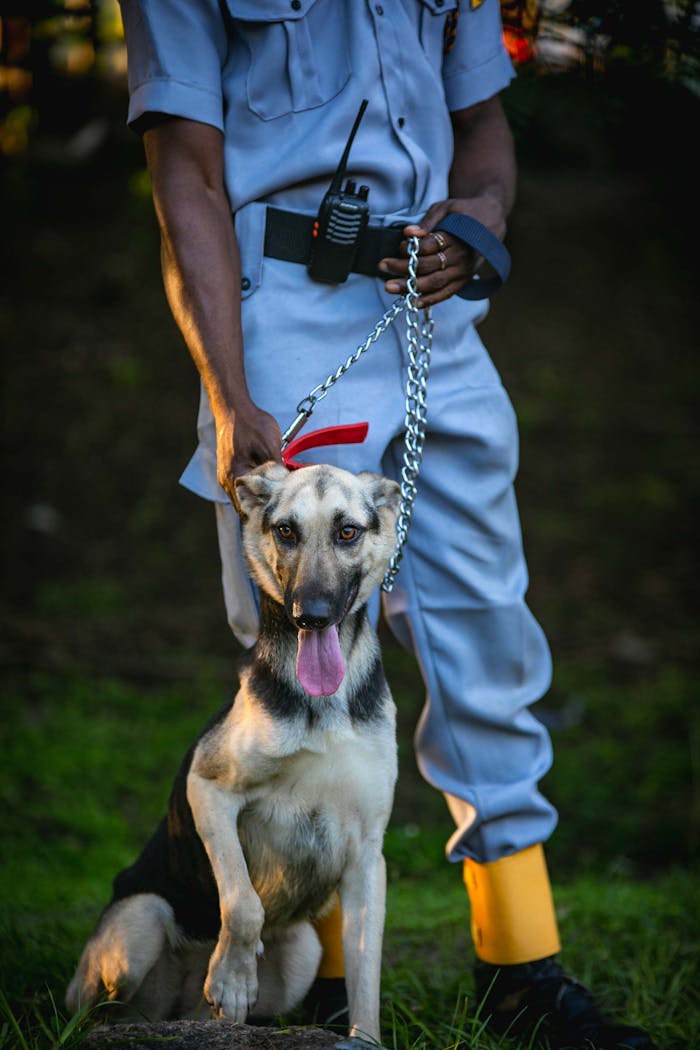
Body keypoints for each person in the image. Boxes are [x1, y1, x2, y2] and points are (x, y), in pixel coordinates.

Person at [116, 2, 654, 1047]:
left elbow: (482, 123)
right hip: (284, 312)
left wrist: (482, 215)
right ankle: (315, 969)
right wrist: (229, 393)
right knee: (300, 643)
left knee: (488, 636)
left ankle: (520, 966)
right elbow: (185, 165)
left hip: (434, 328)